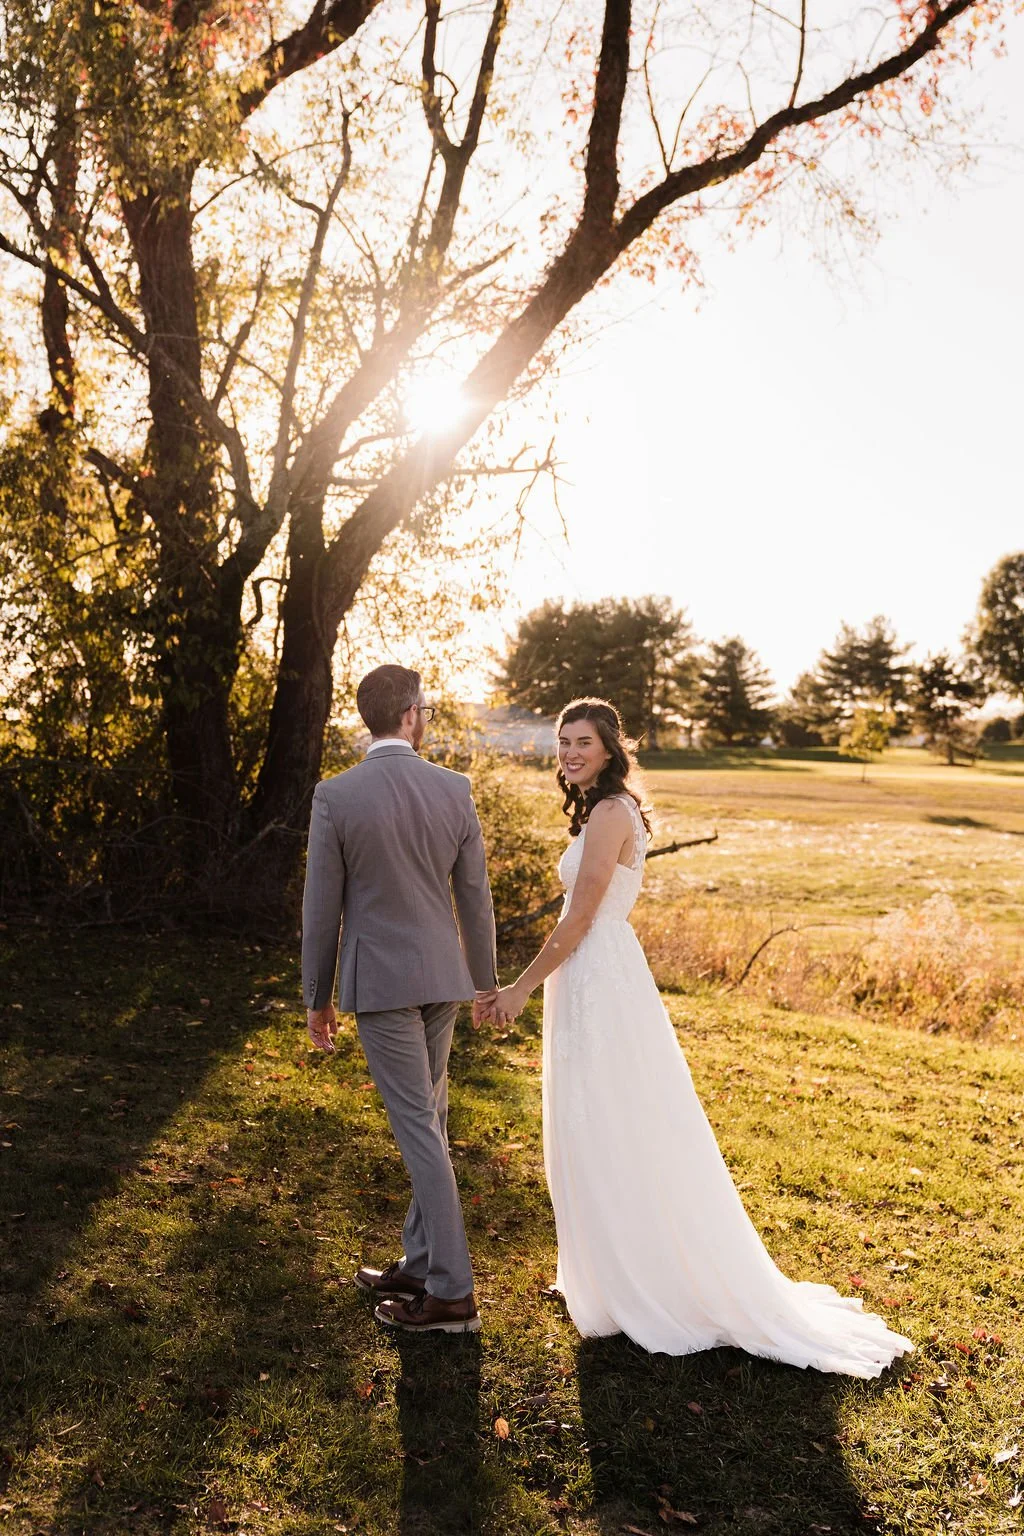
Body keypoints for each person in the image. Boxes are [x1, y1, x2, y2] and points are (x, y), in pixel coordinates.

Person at [476, 697, 913, 1376]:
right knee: (597, 1122)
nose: (568, 752)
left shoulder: (611, 811)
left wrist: (520, 986)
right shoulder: (605, 809)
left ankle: (637, 1283)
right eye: (563, 741)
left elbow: (582, 915)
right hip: (596, 978)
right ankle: (605, 1273)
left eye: (582, 741)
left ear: (611, 746)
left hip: (598, 977)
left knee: (612, 1122)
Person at [302, 664, 497, 1334]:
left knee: (420, 1128)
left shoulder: (337, 794)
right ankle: (420, 1261)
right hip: (442, 978)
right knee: (430, 1121)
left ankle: (453, 1294)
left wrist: (315, 996)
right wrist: (485, 978)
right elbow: (474, 895)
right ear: (411, 713)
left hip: (382, 985)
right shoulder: (454, 788)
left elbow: (320, 909)